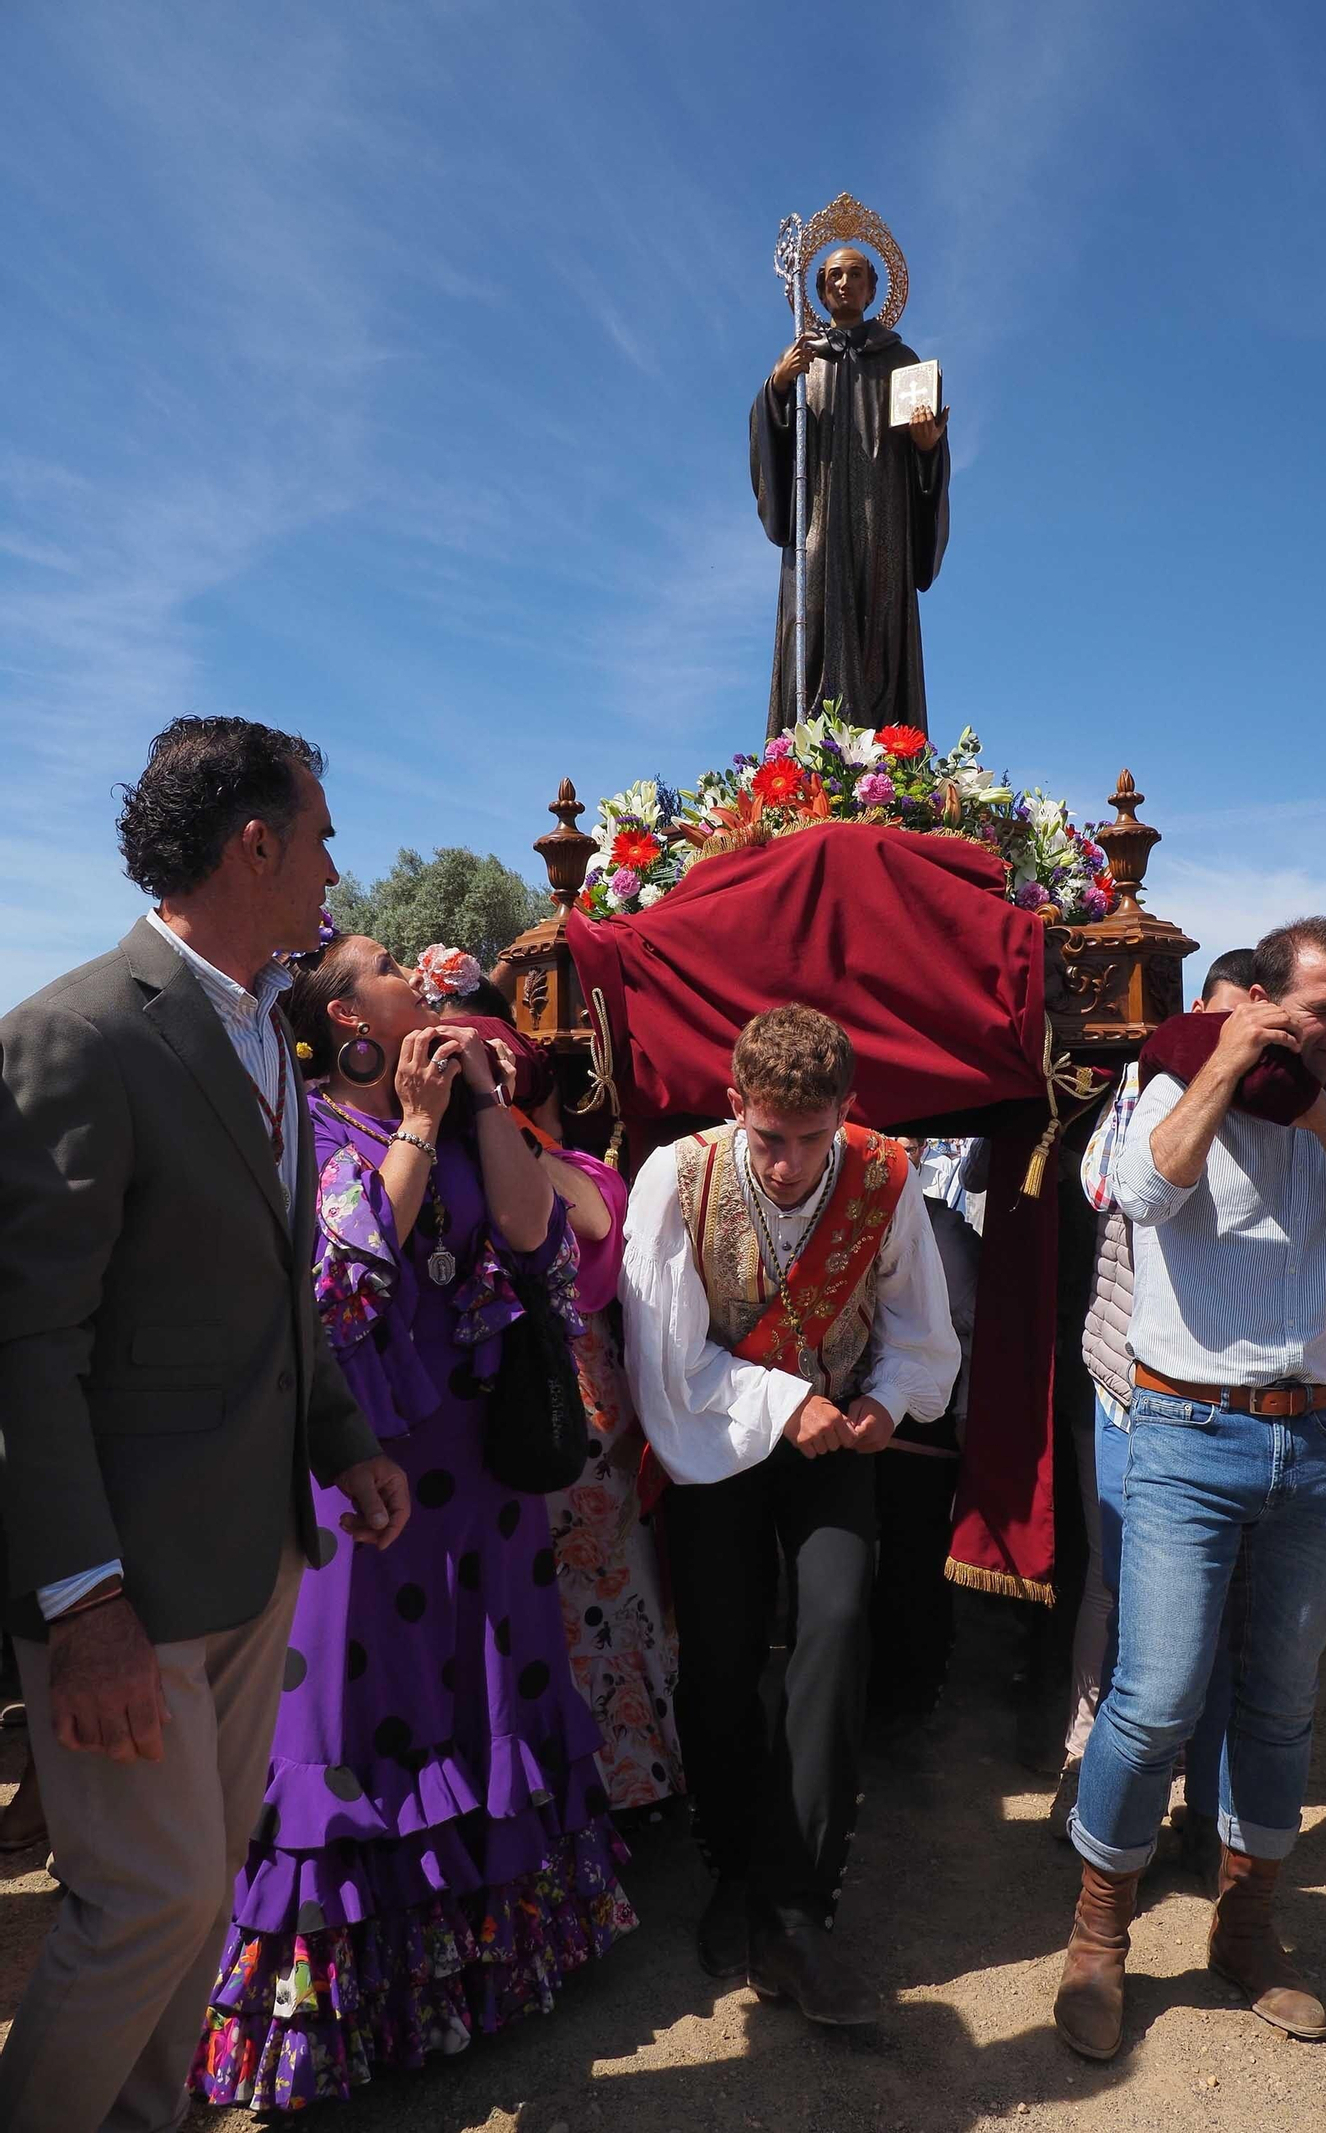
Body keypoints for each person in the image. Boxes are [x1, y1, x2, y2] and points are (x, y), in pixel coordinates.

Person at [0, 718, 407, 2133]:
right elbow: (24, 1350)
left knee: (198, 1900)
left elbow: (274, 1290)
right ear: (256, 847)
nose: (336, 865)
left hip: (251, 1558)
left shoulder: (260, 1031)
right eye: (325, 834)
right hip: (128, 1587)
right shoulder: (77, 1033)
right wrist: (84, 1598)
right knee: (144, 1906)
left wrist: (341, 1438)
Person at [191, 934, 633, 2111]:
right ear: (345, 1019)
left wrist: (486, 1101)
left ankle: (490, 1969)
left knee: (480, 1682)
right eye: (389, 968)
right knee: (353, 1705)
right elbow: (344, 1283)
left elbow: (541, 1238)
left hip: (480, 1467)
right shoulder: (309, 1131)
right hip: (364, 1469)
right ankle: (332, 2016)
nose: (420, 982)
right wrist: (420, 1127)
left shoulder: (465, 1096)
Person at [1054, 917, 1326, 2062]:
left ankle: (1247, 1928)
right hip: (1183, 1431)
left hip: (1314, 1442)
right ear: (1262, 1003)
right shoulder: (1170, 1088)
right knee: (1156, 1699)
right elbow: (1136, 1194)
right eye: (1323, 1009)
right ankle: (1097, 1936)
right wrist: (1221, 1061)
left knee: (1278, 1701)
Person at [620, 1005, 959, 2025]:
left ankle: (799, 1904)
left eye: (814, 1139)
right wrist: (782, 1405)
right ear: (735, 1107)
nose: (788, 1164)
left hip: (834, 1445)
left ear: (847, 1113)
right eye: (769, 1138)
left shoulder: (884, 1177)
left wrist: (880, 1405)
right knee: (721, 1654)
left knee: (836, 1633)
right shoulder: (674, 1178)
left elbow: (920, 1331)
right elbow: (664, 1359)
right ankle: (732, 1866)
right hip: (713, 1440)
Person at [1058, 949, 1256, 1868]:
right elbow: (1113, 1188)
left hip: (1222, 1399)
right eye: (1206, 1026)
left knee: (1216, 1602)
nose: (1217, 1047)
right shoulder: (1146, 1089)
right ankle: (1085, 1755)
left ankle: (1201, 1799)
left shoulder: (1286, 1114)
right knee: (1117, 1575)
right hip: (1126, 1378)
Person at [524, 1084, 685, 1813]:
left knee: (617, 1590)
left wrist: (513, 1128)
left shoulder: (585, 1169)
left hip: (592, 1407)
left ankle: (636, 1779)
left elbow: (590, 1224)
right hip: (524, 1409)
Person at [752, 245, 950, 739]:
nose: (844, 283)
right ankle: (808, 757)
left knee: (879, 627)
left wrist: (927, 449)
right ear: (819, 289)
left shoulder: (901, 362)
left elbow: (924, 453)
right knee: (812, 620)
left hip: (882, 517)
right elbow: (769, 439)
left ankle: (887, 765)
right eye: (834, 275)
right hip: (817, 517)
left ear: (872, 288)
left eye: (855, 274)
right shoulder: (802, 358)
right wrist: (776, 388)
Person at [868, 1138, 982, 1738]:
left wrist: (962, 1412)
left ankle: (908, 1697)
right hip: (848, 1417)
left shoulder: (946, 1233)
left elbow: (974, 1328)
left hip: (921, 1425)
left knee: (914, 1558)